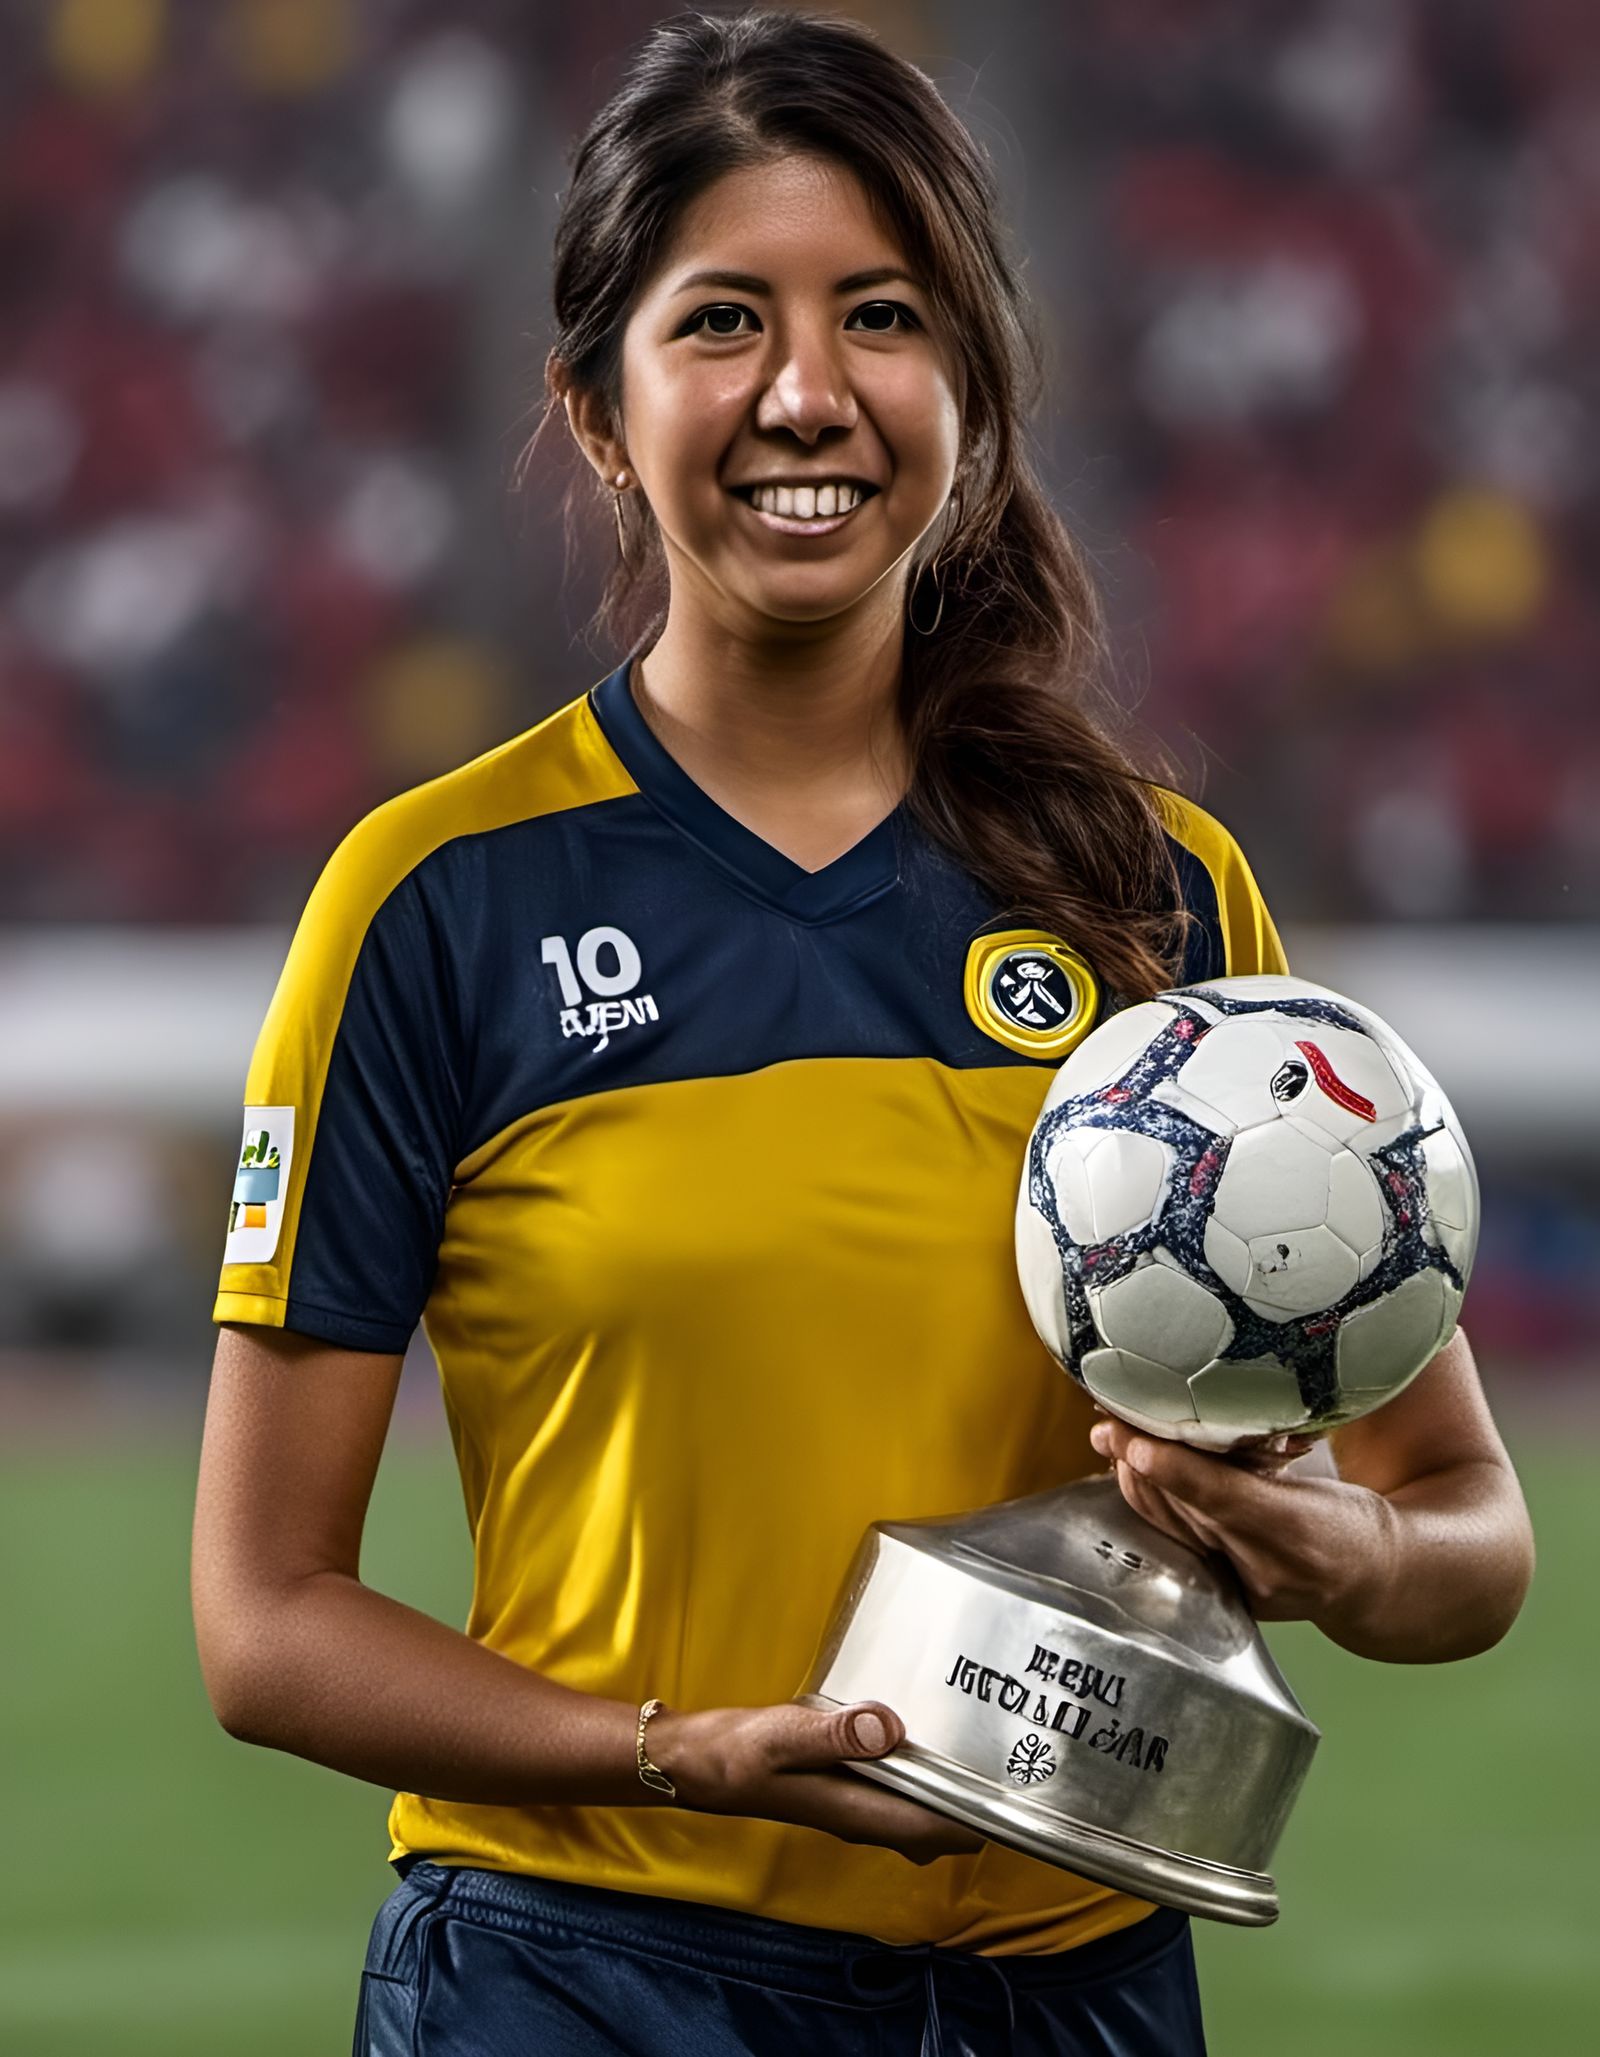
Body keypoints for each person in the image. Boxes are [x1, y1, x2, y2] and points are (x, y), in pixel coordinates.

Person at [190, 12, 1534, 2055]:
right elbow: (262, 1623)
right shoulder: (435, 897)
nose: (804, 393)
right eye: (720, 321)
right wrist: (665, 1751)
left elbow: (1468, 1537)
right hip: (579, 1977)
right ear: (589, 403)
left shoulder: (1160, 897)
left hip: (1066, 1990)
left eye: (879, 317)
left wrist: (1332, 1547)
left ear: (968, 393)